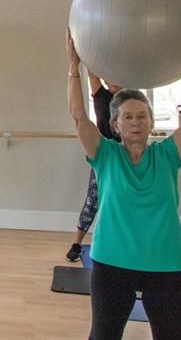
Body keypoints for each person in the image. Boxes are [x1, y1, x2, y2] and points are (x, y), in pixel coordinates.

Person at [67, 30, 181, 340]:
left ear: (151, 122)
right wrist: (72, 68)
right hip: (111, 264)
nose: (136, 122)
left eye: (142, 116)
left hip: (167, 264)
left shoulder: (168, 155)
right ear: (115, 124)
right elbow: (79, 118)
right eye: (128, 117)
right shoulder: (106, 155)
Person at [66, 72, 121, 262]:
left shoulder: (131, 98)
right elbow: (92, 70)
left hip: (126, 157)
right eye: (108, 78)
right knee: (92, 200)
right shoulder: (101, 95)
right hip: (103, 157)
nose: (110, 81)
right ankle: (77, 243)